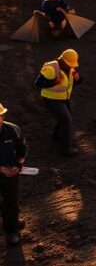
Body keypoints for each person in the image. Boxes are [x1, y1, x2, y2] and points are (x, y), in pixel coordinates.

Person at [36, 49, 81, 156]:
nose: (70, 66)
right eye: (69, 64)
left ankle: (56, 136)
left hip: (63, 98)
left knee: (65, 118)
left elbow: (71, 83)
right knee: (66, 120)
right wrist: (53, 82)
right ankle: (65, 147)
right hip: (51, 99)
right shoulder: (51, 69)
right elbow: (38, 83)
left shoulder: (69, 69)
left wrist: (78, 79)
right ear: (62, 60)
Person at [0, 102, 27, 245]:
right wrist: (1, 169)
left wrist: (18, 165)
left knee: (11, 201)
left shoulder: (13, 130)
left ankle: (11, 230)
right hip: (3, 170)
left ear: (2, 117)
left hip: (11, 173)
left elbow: (22, 148)